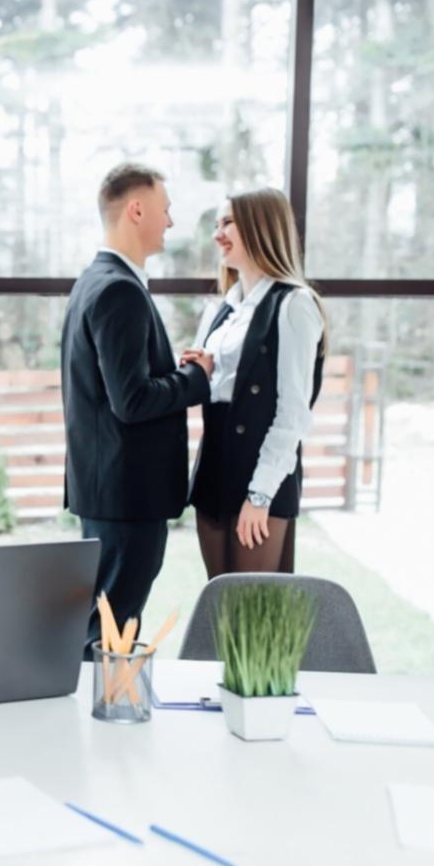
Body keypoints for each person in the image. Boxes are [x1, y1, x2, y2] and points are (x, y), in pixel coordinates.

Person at [60, 163, 214, 646]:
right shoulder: (120, 290)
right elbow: (132, 400)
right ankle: (102, 719)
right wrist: (196, 377)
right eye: (165, 210)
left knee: (104, 625)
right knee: (110, 634)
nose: (169, 222)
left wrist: (174, 372)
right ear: (137, 209)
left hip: (110, 491)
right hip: (127, 496)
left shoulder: (94, 281)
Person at [186, 187, 327, 576]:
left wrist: (260, 495)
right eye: (217, 224)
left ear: (261, 227)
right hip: (212, 475)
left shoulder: (294, 304)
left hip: (259, 480)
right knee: (220, 608)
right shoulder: (220, 310)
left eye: (228, 222)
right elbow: (211, 387)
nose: (218, 234)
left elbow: (293, 414)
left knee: (255, 620)